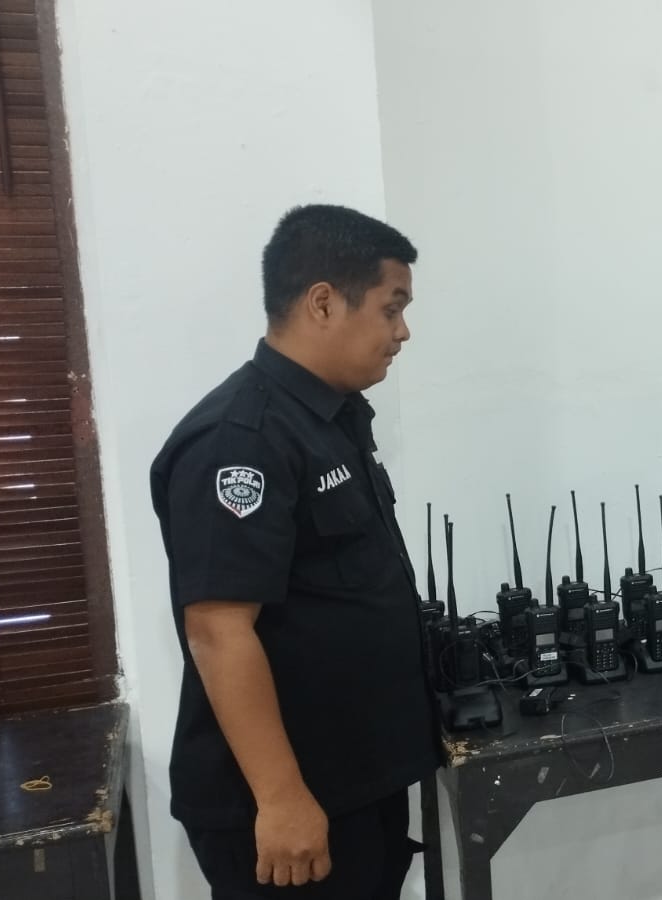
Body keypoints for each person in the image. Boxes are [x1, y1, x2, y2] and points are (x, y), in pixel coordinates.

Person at [150, 204, 437, 899]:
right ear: (323, 303)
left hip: (352, 776)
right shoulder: (240, 439)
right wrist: (281, 799)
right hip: (286, 802)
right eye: (392, 308)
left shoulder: (331, 417)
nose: (403, 331)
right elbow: (218, 630)